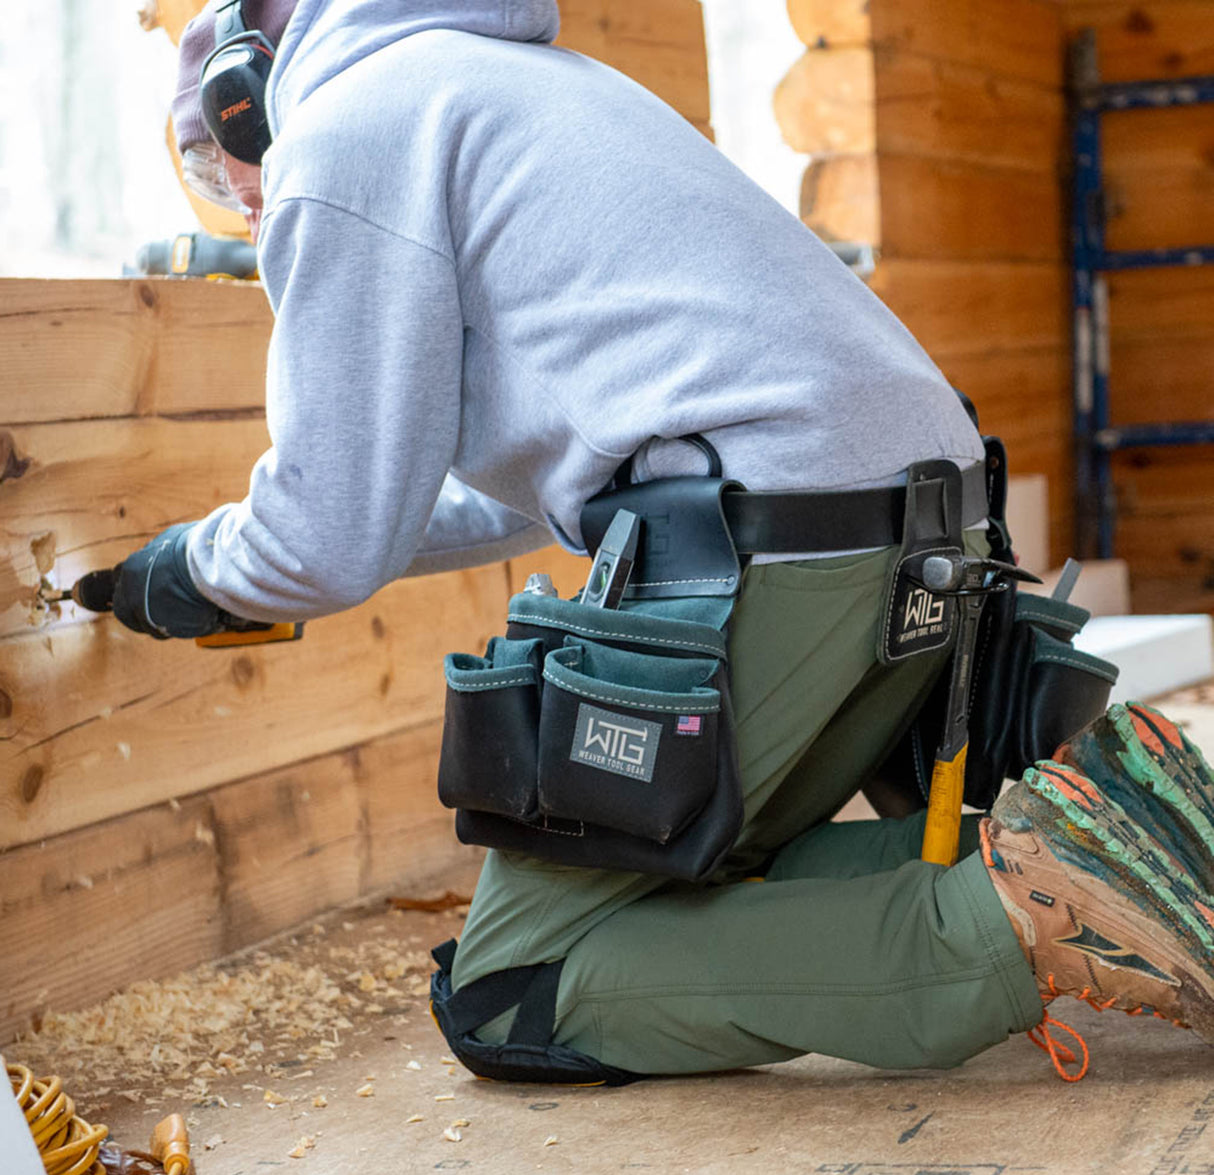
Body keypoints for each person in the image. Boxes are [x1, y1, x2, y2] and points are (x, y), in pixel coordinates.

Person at [114, 0, 1214, 1085]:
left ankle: (1008, 916)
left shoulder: (340, 134)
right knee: (703, 850)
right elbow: (447, 506)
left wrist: (183, 572)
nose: (238, 210)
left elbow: (324, 544)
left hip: (780, 538)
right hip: (921, 528)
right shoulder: (504, 85)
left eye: (219, 170)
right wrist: (305, 542)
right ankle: (1105, 833)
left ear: (246, 93)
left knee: (515, 982)